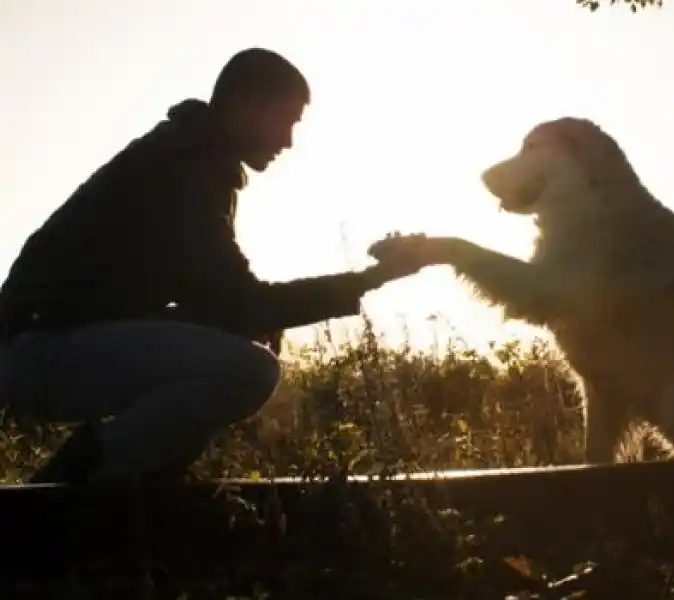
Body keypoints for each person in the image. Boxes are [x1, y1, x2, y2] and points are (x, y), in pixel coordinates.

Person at [0, 48, 426, 485]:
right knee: (249, 369)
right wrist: (372, 278)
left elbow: (220, 303)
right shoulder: (185, 169)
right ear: (248, 105)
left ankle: (133, 489)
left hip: (50, 345)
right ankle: (70, 486)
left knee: (237, 349)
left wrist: (251, 321)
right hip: (39, 353)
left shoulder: (189, 157)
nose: (288, 141)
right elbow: (244, 305)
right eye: (287, 121)